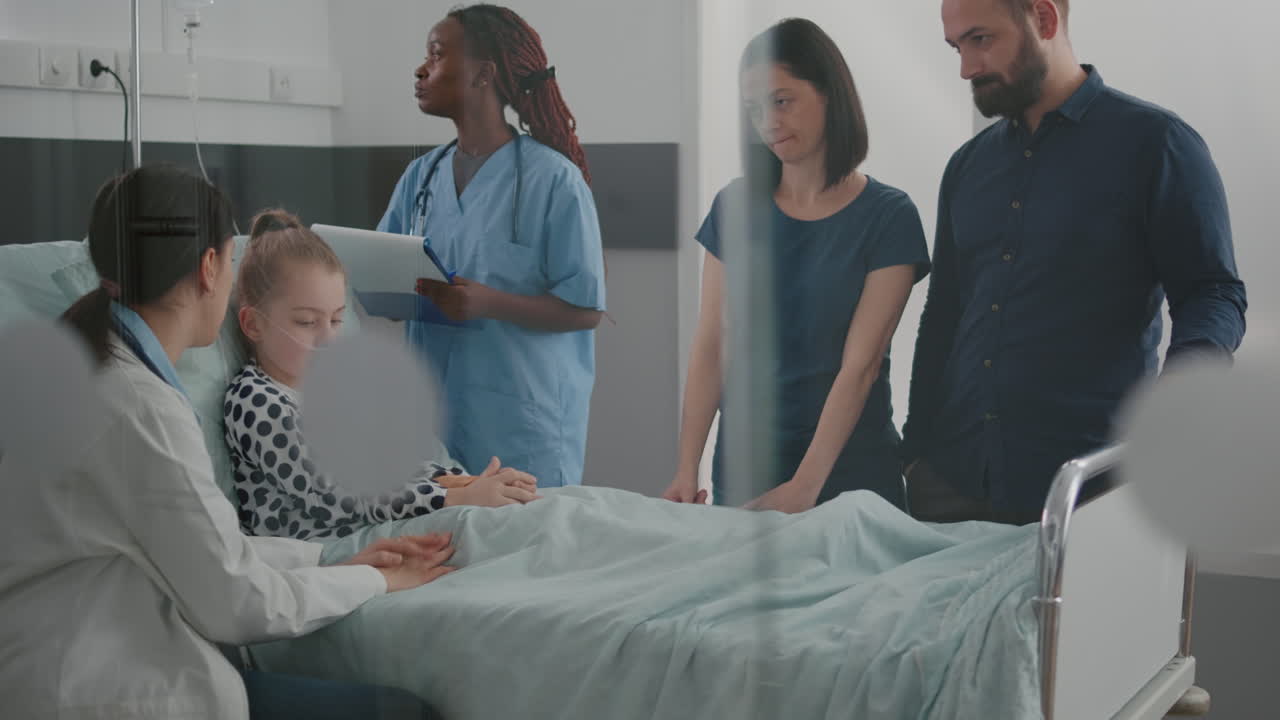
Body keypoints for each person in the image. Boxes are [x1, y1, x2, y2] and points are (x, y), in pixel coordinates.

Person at [0, 165, 452, 720]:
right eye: (234, 260)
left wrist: (332, 559)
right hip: (98, 689)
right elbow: (235, 601)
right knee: (408, 713)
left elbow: (205, 545)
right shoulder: (136, 405)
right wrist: (372, 579)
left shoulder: (106, 370)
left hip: (86, 660)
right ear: (210, 268)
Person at [901, 0, 1248, 524]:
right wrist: (915, 450)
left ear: (1043, 18)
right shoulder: (967, 167)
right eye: (956, 47)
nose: (966, 68)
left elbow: (1213, 292)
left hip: (1087, 489)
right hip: (951, 479)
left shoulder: (1157, 145)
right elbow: (945, 311)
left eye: (980, 40)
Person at [663, 19, 931, 513]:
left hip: (850, 475)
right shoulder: (735, 207)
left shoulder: (890, 217)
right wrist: (685, 468)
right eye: (754, 108)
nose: (767, 121)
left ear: (829, 93)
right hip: (746, 470)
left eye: (782, 100)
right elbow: (711, 344)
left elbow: (861, 365)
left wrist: (804, 488)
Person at [378, 3, 606, 488]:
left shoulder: (553, 181)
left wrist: (486, 303)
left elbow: (585, 309)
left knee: (527, 554)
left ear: (483, 74)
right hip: (433, 422)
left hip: (521, 425)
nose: (421, 69)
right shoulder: (421, 178)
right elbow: (381, 271)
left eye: (436, 56)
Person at [227, 209, 539, 541]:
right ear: (253, 324)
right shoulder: (257, 401)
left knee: (536, 512)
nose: (328, 339)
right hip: (331, 549)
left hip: (387, 524)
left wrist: (467, 482)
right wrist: (453, 497)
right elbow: (337, 496)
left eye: (336, 321)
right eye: (306, 322)